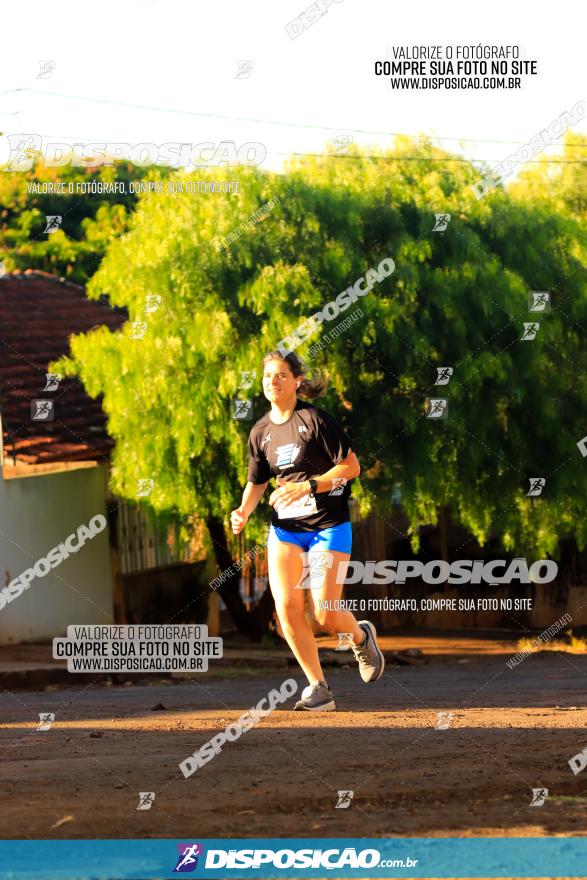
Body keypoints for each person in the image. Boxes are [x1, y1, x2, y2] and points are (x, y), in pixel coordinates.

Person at [230, 350, 385, 711]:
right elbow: (256, 482)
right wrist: (243, 510)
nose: (273, 382)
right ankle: (319, 687)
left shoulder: (314, 420)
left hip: (327, 526)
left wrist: (310, 486)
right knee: (286, 610)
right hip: (286, 530)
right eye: (268, 376)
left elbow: (351, 467)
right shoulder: (260, 432)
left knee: (325, 613)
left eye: (281, 375)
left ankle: (361, 637)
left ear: (297, 381)